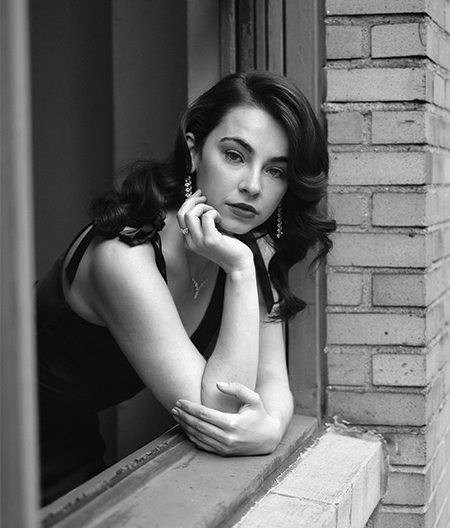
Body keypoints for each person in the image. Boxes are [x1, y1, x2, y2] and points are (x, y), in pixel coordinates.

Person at [36, 70, 336, 506]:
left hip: (69, 438)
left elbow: (271, 384)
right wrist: (237, 271)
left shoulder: (250, 248)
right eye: (235, 155)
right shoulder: (123, 258)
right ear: (195, 152)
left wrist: (270, 426)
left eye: (275, 170)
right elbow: (220, 415)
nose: (253, 185)